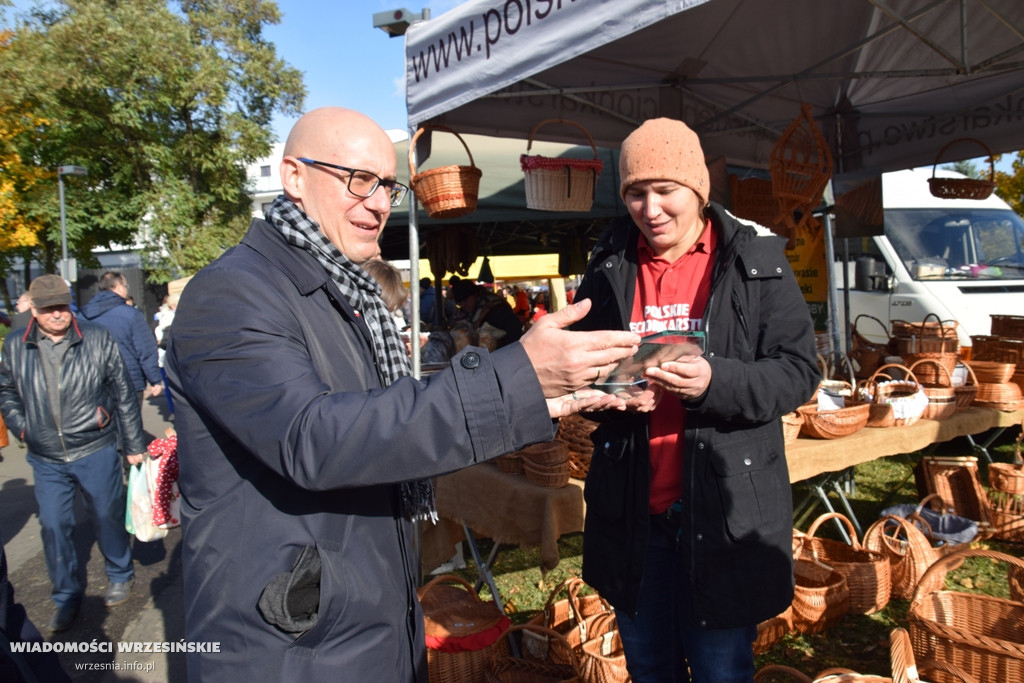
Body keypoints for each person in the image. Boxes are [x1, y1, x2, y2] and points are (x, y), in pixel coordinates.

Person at [164, 106, 641, 683]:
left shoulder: (345, 291)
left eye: (386, 184)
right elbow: (315, 437)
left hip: (362, 616)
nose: (379, 202)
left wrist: (532, 399)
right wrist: (511, 379)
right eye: (357, 180)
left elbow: (382, 423)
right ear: (293, 177)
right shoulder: (231, 295)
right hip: (291, 641)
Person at [571, 118, 819, 682]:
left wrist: (715, 383)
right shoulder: (609, 265)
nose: (650, 208)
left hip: (724, 511)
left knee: (720, 669)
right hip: (635, 511)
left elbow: (799, 371)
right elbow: (579, 370)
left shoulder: (754, 261)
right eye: (636, 192)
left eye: (665, 191)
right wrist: (606, 392)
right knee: (650, 666)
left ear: (698, 192)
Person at [0, 274, 147, 633]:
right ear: (33, 309)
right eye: (48, 308)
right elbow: (6, 390)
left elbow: (123, 392)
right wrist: (23, 428)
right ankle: (66, 596)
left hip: (94, 446)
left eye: (62, 306)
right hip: (46, 455)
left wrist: (133, 445)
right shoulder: (16, 344)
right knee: (53, 525)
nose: (57, 314)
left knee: (107, 514)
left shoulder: (96, 338)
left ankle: (119, 572)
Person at [80, 271, 164, 403]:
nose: (126, 289)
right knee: (131, 422)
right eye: (126, 286)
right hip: (128, 380)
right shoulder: (131, 315)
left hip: (94, 381)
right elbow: (145, 348)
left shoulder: (83, 316)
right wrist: (154, 379)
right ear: (118, 287)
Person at [450, 280, 524, 349]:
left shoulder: (497, 309)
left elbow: (514, 334)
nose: (463, 305)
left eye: (465, 300)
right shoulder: (467, 312)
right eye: (460, 303)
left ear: (475, 295)